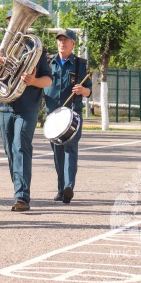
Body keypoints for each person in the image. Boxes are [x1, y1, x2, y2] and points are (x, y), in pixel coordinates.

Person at [0, 11, 52, 212]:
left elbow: (48, 80)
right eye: (12, 22)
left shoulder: (36, 49)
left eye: (20, 22)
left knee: (20, 146)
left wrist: (33, 81)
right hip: (4, 106)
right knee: (10, 149)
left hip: (27, 107)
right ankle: (19, 189)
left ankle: (22, 196)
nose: (15, 26)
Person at [43, 28, 92, 204]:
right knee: (58, 153)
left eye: (66, 40)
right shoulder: (48, 62)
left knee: (70, 149)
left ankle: (68, 187)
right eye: (60, 40)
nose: (62, 43)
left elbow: (89, 91)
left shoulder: (80, 64)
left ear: (73, 43)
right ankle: (60, 189)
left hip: (72, 115)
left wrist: (82, 90)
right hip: (52, 116)